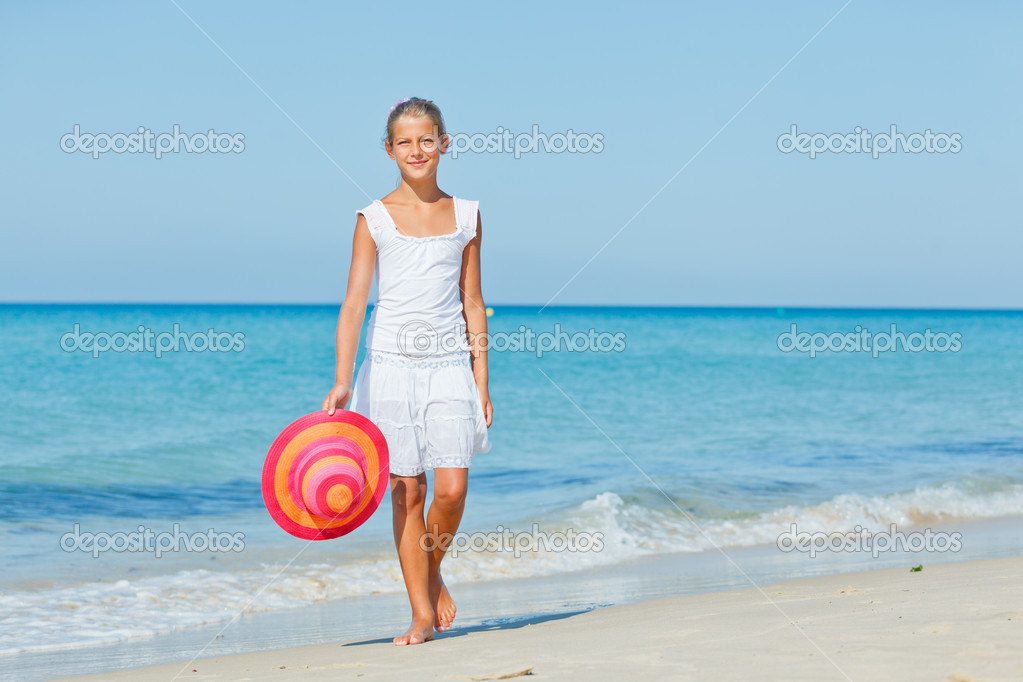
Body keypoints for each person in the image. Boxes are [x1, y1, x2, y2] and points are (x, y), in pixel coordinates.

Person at [322, 97, 493, 646]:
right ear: (390, 149)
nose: (416, 150)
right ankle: (420, 612)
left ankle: (432, 570)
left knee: (452, 488)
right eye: (404, 142)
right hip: (391, 364)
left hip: (448, 366)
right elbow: (354, 305)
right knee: (406, 492)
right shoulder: (372, 219)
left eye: (427, 139)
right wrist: (344, 378)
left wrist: (481, 379)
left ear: (444, 143)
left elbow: (473, 301)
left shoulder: (467, 215)